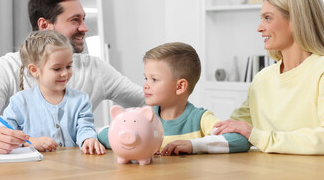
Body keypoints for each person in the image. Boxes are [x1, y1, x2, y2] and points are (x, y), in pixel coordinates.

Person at [0, 0, 144, 153]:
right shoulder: (2, 69)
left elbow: (148, 102)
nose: (85, 28)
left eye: (83, 19)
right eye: (75, 20)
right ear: (44, 25)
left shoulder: (95, 69)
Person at [214, 0, 324, 155]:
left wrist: (257, 136)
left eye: (267, 18)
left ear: (296, 21)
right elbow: (232, 128)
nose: (259, 28)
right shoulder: (262, 78)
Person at [98, 42, 250, 155]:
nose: (145, 85)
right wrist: (140, 143)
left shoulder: (200, 119)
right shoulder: (143, 117)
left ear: (180, 87)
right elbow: (104, 133)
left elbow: (240, 140)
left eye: (154, 79)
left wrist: (193, 145)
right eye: (146, 78)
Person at [0, 30, 105, 154]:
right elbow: (5, 131)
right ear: (34, 70)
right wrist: (30, 141)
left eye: (69, 66)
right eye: (57, 68)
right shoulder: (20, 102)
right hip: (34, 168)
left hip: (72, 168)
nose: (65, 73)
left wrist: (88, 139)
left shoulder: (81, 100)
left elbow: (85, 127)